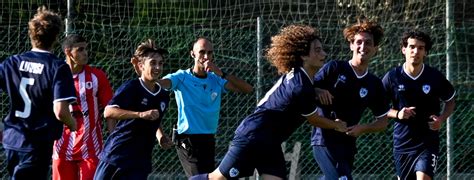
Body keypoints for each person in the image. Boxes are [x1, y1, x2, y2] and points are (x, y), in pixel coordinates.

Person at [190, 24, 347, 180]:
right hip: (253, 136)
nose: (324, 54)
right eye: (317, 50)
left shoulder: (300, 78)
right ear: (304, 55)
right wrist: (337, 125)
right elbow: (314, 119)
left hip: (270, 142)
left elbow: (297, 94)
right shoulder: (301, 85)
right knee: (216, 178)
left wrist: (315, 90)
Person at [144, 37, 253, 177]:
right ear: (192, 54)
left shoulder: (217, 79)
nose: (206, 57)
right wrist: (159, 133)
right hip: (187, 140)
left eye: (210, 53)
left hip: (208, 140)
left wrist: (222, 73)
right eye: (202, 52)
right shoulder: (181, 77)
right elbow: (158, 85)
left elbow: (248, 89)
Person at [0, 6, 77, 179]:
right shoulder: (57, 67)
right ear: (56, 37)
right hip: (37, 143)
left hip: (12, 140)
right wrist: (72, 123)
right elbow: (61, 111)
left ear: (32, 34)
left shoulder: (12, 62)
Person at [310, 18, 390, 180]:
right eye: (358, 42)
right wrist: (318, 91)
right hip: (324, 139)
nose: (363, 47)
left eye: (368, 43)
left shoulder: (374, 84)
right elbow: (305, 88)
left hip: (347, 145)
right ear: (351, 45)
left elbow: (383, 122)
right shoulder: (334, 68)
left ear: (375, 49)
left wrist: (363, 128)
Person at [93, 39, 173, 180]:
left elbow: (154, 120)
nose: (158, 67)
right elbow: (108, 112)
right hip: (116, 155)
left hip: (140, 161)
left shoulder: (163, 95)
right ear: (141, 66)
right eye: (153, 63)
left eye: (160, 63)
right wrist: (139, 114)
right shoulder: (131, 87)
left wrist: (161, 136)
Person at [382, 30, 455, 180]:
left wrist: (441, 119)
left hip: (427, 143)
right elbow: (379, 107)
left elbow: (450, 100)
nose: (415, 51)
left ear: (425, 52)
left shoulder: (434, 76)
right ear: (404, 49)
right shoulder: (392, 76)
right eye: (412, 47)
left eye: (421, 48)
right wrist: (397, 114)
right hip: (402, 143)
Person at [52, 34, 114, 180]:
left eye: (86, 49)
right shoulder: (54, 75)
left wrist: (112, 139)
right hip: (61, 147)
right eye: (80, 49)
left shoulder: (97, 76)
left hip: (91, 149)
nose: (85, 53)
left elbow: (110, 110)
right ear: (68, 52)